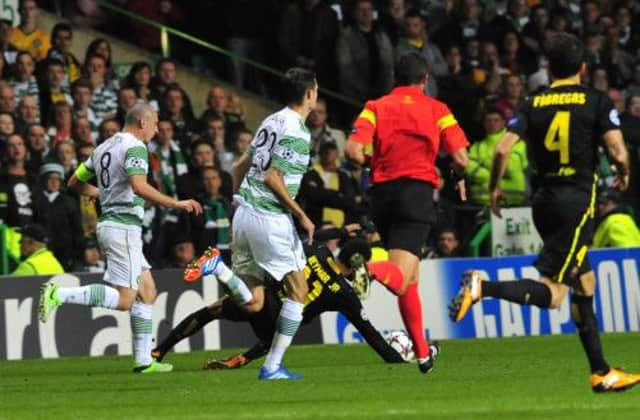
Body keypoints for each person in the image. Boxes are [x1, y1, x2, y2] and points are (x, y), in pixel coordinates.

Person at [449, 33, 640, 393]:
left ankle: (601, 371)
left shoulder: (533, 102)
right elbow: (617, 149)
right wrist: (624, 170)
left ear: (549, 67)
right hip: (578, 202)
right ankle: (482, 286)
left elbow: (504, 149)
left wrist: (493, 187)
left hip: (544, 201)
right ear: (582, 67)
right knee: (554, 294)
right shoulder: (595, 99)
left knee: (585, 283)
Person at [38, 103, 203, 374]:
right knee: (126, 299)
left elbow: (74, 183)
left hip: (117, 226)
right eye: (154, 124)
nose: (156, 129)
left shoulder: (103, 147)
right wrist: (177, 204)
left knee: (147, 291)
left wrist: (103, 193)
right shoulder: (136, 147)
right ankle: (59, 293)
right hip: (122, 227)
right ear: (142, 122)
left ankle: (144, 361)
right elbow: (139, 186)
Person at [185, 68, 317, 380]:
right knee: (299, 290)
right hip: (269, 218)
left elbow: (239, 166)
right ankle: (272, 366)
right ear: (309, 94)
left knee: (254, 300)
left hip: (245, 213)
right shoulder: (297, 131)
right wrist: (301, 214)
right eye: (316, 90)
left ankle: (219, 268)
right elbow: (273, 177)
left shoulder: (271, 120)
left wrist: (238, 208)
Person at [344, 52, 469, 374]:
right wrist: (456, 177)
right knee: (399, 279)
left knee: (410, 276)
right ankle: (369, 267)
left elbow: (352, 150)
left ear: (394, 79)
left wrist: (375, 163)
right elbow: (461, 159)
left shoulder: (375, 107)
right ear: (425, 79)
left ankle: (423, 353)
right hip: (416, 193)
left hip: (382, 195)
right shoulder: (437, 110)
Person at [153, 237, 432, 368]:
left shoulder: (317, 252)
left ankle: (160, 350)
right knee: (280, 333)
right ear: (358, 263)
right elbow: (370, 333)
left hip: (268, 294)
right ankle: (242, 358)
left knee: (213, 309)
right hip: (277, 319)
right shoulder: (343, 293)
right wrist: (395, 359)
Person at [466, 108, 528, 206]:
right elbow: (469, 168)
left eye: (496, 120)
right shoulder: (476, 147)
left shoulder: (516, 143)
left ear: (503, 123)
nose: (492, 124)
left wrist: (485, 165)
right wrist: (496, 167)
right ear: (484, 124)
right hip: (483, 202)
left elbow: (510, 168)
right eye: (488, 121)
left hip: (514, 199)